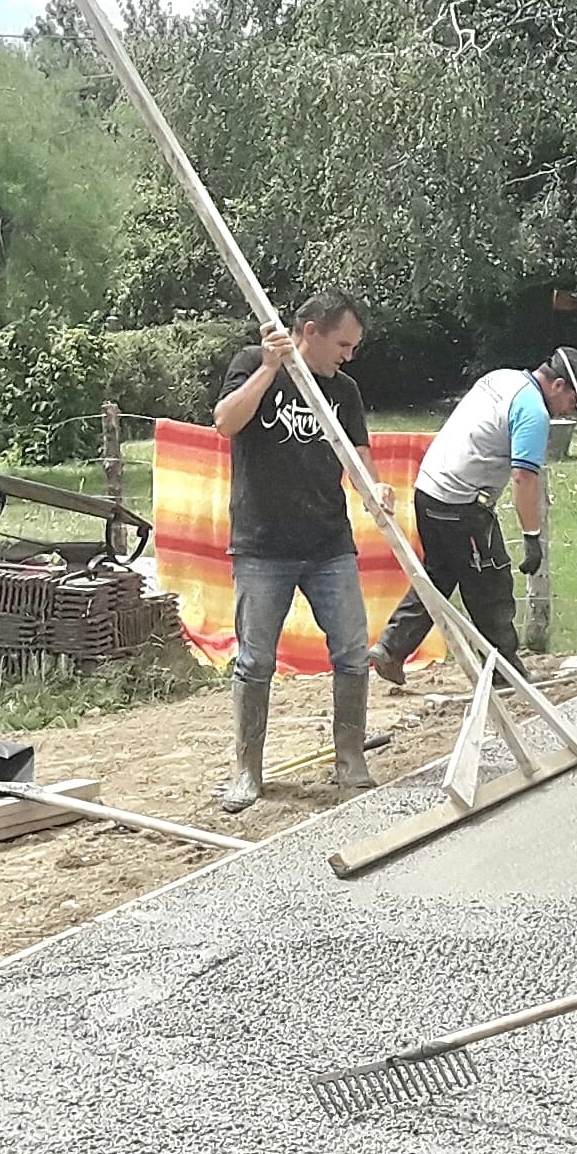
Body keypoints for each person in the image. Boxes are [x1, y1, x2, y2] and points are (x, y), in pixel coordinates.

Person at [204, 292, 380, 813]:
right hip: (263, 544)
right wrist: (268, 368)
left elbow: (361, 459)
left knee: (351, 651)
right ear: (310, 331)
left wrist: (377, 489)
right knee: (255, 660)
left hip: (328, 543)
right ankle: (247, 771)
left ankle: (350, 758)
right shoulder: (251, 364)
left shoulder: (344, 391)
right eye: (342, 344)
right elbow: (225, 421)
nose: (347, 356)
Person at [373, 345, 577, 690]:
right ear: (559, 385)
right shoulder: (533, 411)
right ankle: (504, 672)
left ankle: (391, 647)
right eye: (571, 402)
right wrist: (532, 536)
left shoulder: (502, 378)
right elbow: (525, 477)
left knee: (439, 575)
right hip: (460, 503)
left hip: (428, 489)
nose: (570, 412)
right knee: (492, 584)